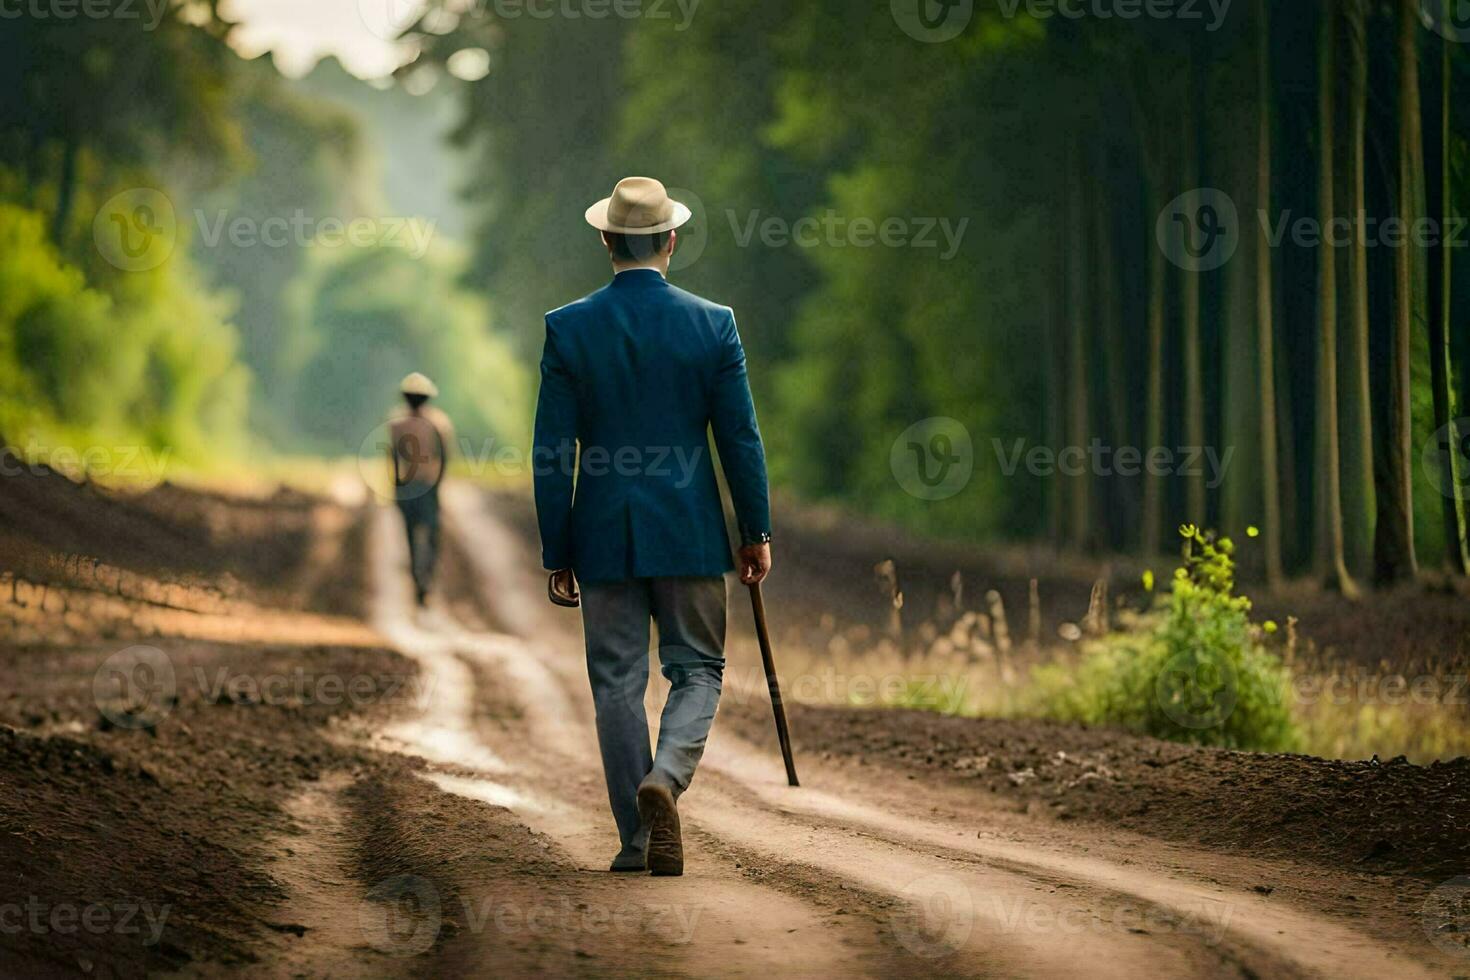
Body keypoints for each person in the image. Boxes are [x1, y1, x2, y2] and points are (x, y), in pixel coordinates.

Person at [533, 177, 773, 876]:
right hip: (691, 533)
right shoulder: (713, 324)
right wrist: (754, 528)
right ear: (670, 241)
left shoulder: (567, 327)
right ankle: (665, 779)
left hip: (603, 534)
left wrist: (558, 546)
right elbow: (741, 438)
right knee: (697, 668)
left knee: (615, 681)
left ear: (606, 241)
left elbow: (552, 451)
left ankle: (637, 839)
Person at [388, 372, 454, 607]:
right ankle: (424, 579)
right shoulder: (438, 423)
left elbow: (394, 459)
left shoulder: (397, 424)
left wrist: (396, 485)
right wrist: (438, 483)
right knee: (431, 534)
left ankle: (420, 579)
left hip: (410, 485)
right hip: (426, 485)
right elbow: (443, 457)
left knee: (412, 535)